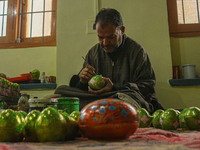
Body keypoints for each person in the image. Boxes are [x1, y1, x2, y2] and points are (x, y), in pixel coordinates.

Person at [55, 8, 164, 114]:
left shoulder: (137, 51)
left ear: (122, 30)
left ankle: (100, 111)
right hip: (99, 99)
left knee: (127, 100)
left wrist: (114, 88)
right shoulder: (93, 53)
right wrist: (82, 82)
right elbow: (83, 91)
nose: (105, 43)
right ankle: (105, 110)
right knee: (61, 91)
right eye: (100, 37)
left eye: (111, 37)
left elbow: (148, 86)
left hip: (125, 98)